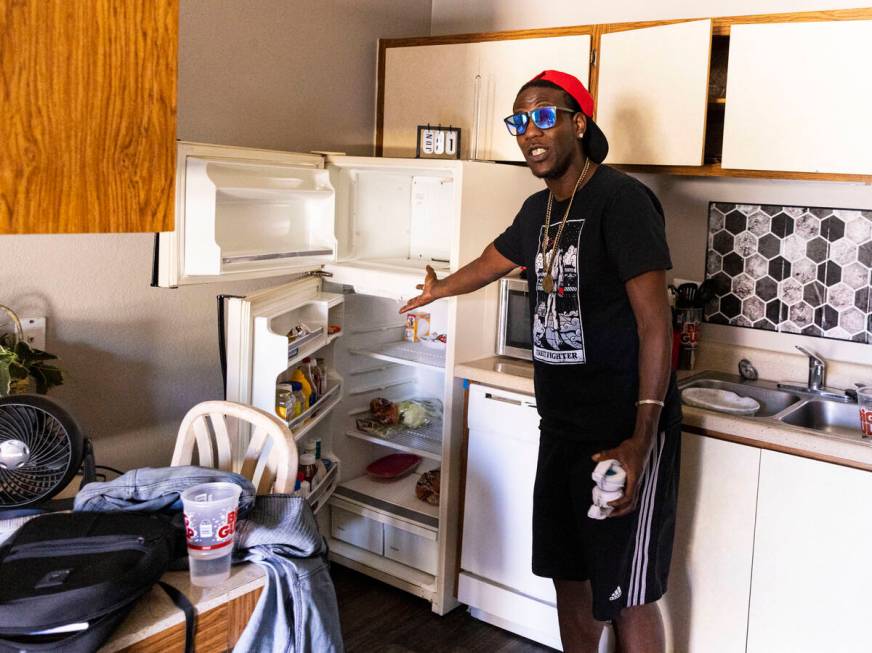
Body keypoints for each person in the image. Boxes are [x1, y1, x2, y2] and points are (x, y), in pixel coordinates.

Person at [400, 69, 682, 652]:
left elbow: (658, 326)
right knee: (569, 576)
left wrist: (639, 440)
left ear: (578, 123)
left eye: (545, 116)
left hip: (618, 434)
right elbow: (493, 260)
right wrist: (440, 289)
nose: (531, 131)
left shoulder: (622, 201)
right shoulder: (538, 210)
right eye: (520, 121)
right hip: (561, 432)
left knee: (624, 589)